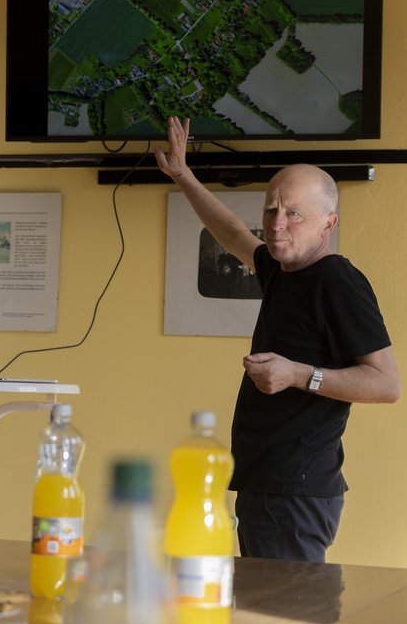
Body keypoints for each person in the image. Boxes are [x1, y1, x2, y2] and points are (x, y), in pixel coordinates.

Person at [155, 116, 400, 562]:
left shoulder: (337, 281)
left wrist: (299, 375)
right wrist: (183, 175)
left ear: (328, 224)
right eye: (271, 210)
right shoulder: (284, 270)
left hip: (295, 493)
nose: (277, 224)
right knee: (269, 620)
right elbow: (230, 231)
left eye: (293, 213)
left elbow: (386, 385)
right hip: (267, 483)